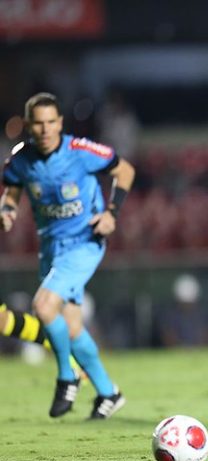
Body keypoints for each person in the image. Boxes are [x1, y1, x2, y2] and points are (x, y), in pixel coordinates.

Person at [1, 92, 135, 419]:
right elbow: (13, 188)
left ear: (60, 123)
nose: (46, 130)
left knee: (43, 306)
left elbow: (125, 171)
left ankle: (66, 375)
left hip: (85, 241)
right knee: (72, 327)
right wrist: (7, 208)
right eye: (39, 124)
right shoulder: (20, 159)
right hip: (51, 248)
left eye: (51, 123)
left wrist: (111, 213)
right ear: (29, 126)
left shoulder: (80, 151)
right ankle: (108, 392)